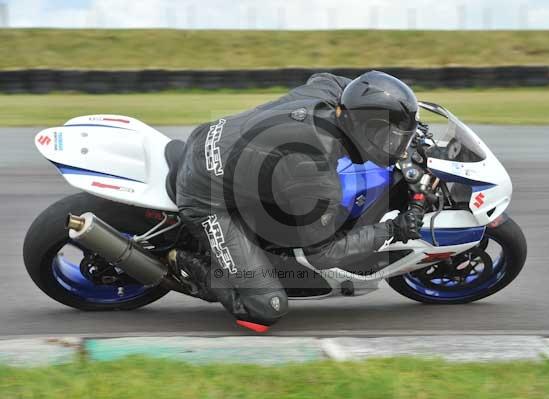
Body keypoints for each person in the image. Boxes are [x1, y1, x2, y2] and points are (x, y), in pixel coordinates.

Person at [174, 70, 424, 331]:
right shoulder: (313, 172)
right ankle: (185, 263)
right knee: (266, 307)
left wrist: (402, 115)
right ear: (363, 129)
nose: (397, 145)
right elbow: (322, 253)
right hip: (204, 195)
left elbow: (335, 80)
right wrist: (392, 230)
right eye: (390, 137)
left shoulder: (329, 91)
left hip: (212, 135)